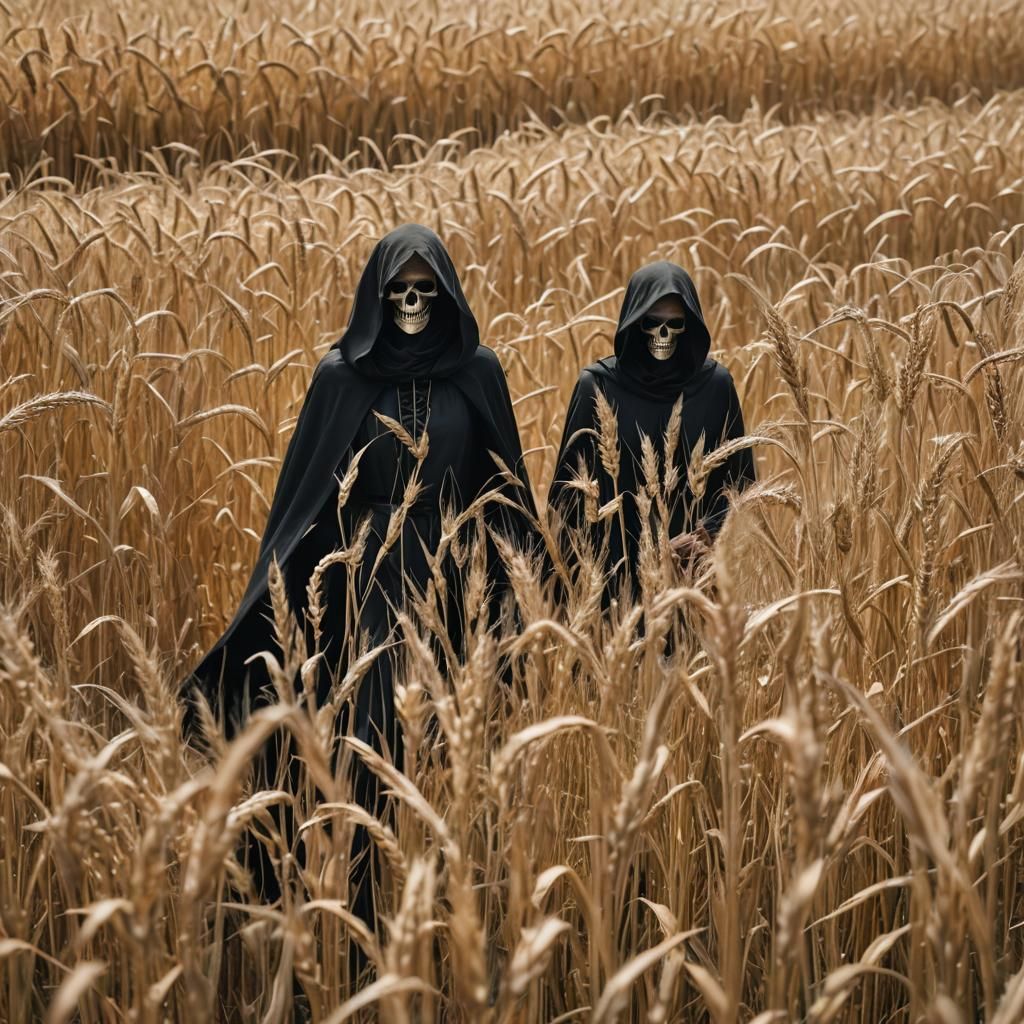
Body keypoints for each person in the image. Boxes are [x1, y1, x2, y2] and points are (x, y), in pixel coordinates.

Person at [182, 224, 535, 929]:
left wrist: (517, 590)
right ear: (377, 298)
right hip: (363, 582)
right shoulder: (340, 378)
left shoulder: (479, 371)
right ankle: (363, 904)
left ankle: (446, 908)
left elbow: (506, 490)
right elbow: (305, 500)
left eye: (424, 291)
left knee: (451, 737)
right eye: (398, 291)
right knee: (366, 737)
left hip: (452, 578)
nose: (411, 303)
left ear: (446, 296)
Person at [548, 260, 755, 599]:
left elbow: (742, 488)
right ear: (634, 323)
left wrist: (701, 539)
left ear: (690, 328)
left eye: (675, 325)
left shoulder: (715, 387)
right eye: (652, 324)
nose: (663, 335)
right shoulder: (598, 386)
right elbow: (565, 497)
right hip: (613, 586)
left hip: (693, 585)